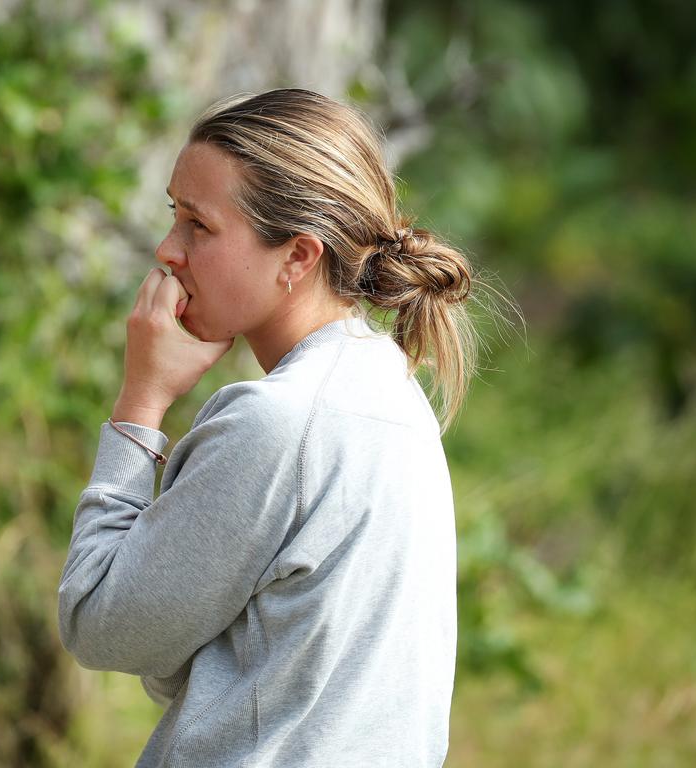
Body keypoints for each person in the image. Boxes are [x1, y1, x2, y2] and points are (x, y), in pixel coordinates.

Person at [57, 87, 494, 767]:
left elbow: (99, 623)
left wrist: (140, 403)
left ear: (297, 257)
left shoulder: (275, 424)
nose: (168, 251)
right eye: (173, 216)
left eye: (198, 225)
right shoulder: (396, 395)